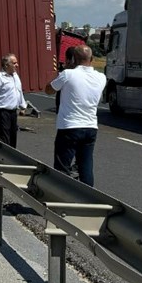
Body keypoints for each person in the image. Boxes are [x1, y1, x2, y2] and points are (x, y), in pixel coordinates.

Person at [46, 45, 106, 186]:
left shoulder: (68, 74)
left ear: (74, 59)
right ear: (92, 59)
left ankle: (62, 199)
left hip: (70, 126)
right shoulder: (101, 77)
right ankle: (88, 198)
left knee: (62, 167)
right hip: (90, 127)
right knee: (86, 166)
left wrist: (65, 70)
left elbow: (49, 90)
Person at [0, 53, 27, 147]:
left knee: (13, 136)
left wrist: (23, 106)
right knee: (5, 137)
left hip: (13, 111)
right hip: (2, 112)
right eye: (14, 63)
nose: (17, 65)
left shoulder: (15, 76)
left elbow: (19, 91)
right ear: (6, 65)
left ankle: (11, 158)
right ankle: (3, 158)